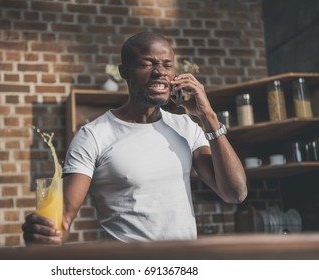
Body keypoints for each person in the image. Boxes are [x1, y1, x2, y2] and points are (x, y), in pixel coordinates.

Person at [22, 31, 247, 245]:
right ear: (124, 72)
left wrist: (208, 116)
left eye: (167, 65)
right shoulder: (93, 135)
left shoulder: (186, 127)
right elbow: (65, 217)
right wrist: (45, 235)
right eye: (147, 63)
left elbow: (235, 192)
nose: (160, 71)